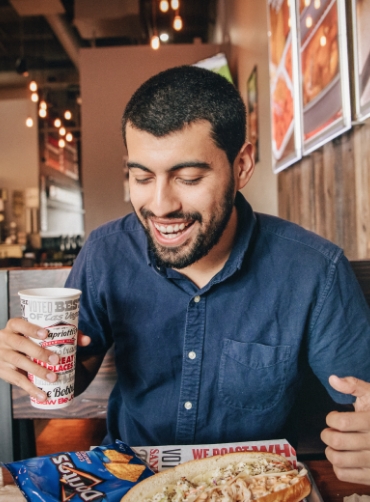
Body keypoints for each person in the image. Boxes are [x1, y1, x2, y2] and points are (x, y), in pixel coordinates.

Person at [1, 66, 370, 486]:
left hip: (253, 484)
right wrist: (36, 359)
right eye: (141, 176)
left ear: (242, 166)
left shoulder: (313, 271)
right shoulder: (106, 253)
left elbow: (362, 398)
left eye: (189, 178)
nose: (160, 206)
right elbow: (78, 366)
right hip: (128, 479)